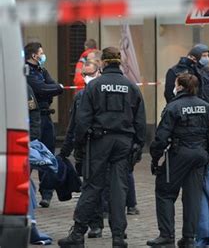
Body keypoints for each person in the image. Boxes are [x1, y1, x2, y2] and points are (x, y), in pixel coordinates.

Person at [58, 47, 146, 248]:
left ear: (104, 63)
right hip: (124, 143)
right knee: (118, 189)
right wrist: (138, 145)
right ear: (119, 62)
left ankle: (78, 233)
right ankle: (118, 237)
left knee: (92, 187)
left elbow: (82, 120)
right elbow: (140, 121)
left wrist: (79, 147)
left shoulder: (94, 86)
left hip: (99, 142)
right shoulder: (131, 87)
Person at [148, 73, 209, 247]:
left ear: (180, 87)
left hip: (179, 154)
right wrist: (205, 147)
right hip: (200, 154)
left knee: (165, 192)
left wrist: (155, 157)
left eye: (175, 84)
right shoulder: (205, 106)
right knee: (192, 196)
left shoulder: (173, 107)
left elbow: (161, 137)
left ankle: (166, 236)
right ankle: (189, 238)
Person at [56, 60, 104, 239]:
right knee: (89, 186)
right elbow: (73, 125)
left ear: (99, 73)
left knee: (94, 187)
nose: (87, 78)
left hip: (100, 147)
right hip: (83, 148)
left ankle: (96, 223)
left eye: (91, 74)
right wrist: (65, 151)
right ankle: (93, 223)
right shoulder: (80, 96)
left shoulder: (103, 94)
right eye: (84, 74)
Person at [25, 42, 64, 208]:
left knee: (47, 154)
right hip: (32, 119)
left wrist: (54, 88)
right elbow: (41, 89)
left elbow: (52, 85)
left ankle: (46, 193)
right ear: (34, 55)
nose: (43, 55)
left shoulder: (42, 70)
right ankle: (25, 190)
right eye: (41, 53)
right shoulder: (26, 72)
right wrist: (55, 88)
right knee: (31, 154)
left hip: (46, 118)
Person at [164, 45, 209, 118]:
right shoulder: (176, 71)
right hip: (186, 112)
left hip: (204, 112)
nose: (206, 58)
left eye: (207, 56)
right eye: (203, 56)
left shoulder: (206, 71)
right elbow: (169, 94)